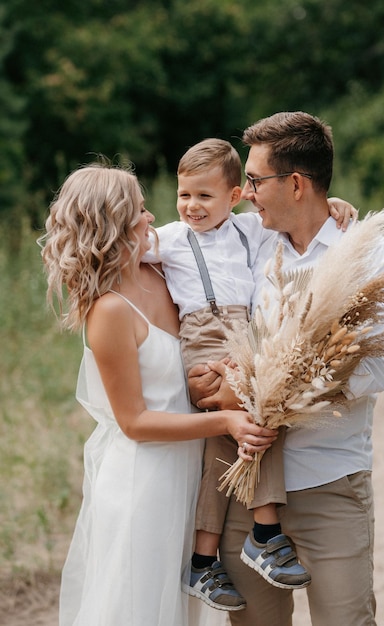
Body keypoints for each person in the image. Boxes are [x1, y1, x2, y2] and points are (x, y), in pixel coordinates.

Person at [188, 112, 384, 626]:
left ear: (295, 183)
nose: (246, 192)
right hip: (248, 485)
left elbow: (369, 376)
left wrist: (245, 391)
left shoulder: (369, 256)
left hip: (329, 483)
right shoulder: (254, 244)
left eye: (257, 180)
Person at [38, 162, 277, 626]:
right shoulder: (109, 310)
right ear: (114, 223)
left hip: (190, 473)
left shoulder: (163, 274)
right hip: (143, 483)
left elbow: (231, 233)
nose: (152, 219)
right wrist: (225, 422)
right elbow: (135, 422)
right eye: (141, 211)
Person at [146, 138, 357, 612]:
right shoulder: (171, 238)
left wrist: (335, 205)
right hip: (204, 342)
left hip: (244, 336)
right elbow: (125, 248)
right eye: (184, 195)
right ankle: (264, 533)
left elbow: (302, 220)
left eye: (204, 196)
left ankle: (203, 561)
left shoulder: (250, 230)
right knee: (259, 417)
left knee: (227, 444)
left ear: (236, 194)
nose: (191, 206)